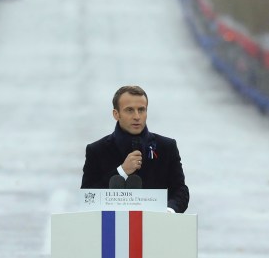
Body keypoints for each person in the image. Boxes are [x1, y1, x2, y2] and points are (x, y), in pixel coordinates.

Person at [81, 85, 189, 213]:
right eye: (130, 110)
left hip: (157, 227)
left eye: (141, 110)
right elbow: (87, 197)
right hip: (111, 229)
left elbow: (180, 190)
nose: (137, 116)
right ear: (116, 114)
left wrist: (169, 211)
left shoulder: (166, 146)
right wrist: (121, 171)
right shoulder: (96, 150)